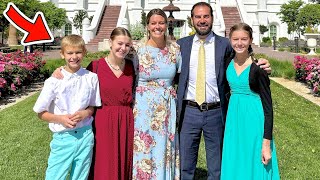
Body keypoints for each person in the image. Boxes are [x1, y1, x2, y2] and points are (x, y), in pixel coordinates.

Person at [176, 2, 271, 179]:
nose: (202, 20)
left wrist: (262, 65)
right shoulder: (181, 45)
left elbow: (242, 60)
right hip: (189, 112)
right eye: (198, 16)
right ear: (192, 19)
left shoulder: (224, 45)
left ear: (212, 18)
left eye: (206, 16)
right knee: (185, 166)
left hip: (215, 112)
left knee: (217, 166)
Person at [52, 27, 135, 180]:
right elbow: (77, 75)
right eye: (119, 43)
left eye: (127, 45)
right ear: (110, 43)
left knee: (124, 160)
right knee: (102, 163)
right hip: (102, 121)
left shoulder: (132, 67)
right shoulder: (96, 66)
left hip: (126, 121)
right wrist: (60, 70)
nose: (123, 48)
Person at [33, 34, 101, 180]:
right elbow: (40, 112)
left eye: (78, 52)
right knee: (55, 176)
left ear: (84, 53)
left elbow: (92, 107)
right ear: (62, 54)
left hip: (85, 136)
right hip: (63, 138)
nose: (74, 57)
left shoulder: (91, 78)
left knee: (81, 176)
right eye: (69, 53)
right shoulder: (53, 81)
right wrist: (60, 119)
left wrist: (86, 113)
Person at [221, 23, 280, 179]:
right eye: (235, 39)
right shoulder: (227, 62)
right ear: (230, 40)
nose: (239, 43)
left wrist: (266, 144)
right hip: (234, 122)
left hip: (254, 123)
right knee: (235, 161)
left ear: (251, 40)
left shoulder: (258, 68)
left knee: (254, 164)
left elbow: (268, 109)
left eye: (244, 39)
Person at [132, 8, 181, 179]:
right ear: (147, 26)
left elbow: (183, 77)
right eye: (153, 23)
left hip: (166, 108)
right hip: (143, 109)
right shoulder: (137, 50)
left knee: (163, 147)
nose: (157, 26)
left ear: (167, 25)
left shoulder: (175, 49)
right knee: (143, 147)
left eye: (161, 22)